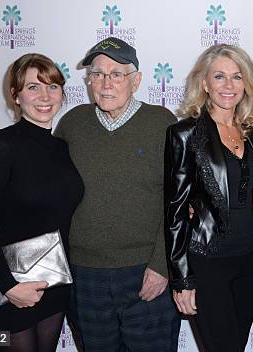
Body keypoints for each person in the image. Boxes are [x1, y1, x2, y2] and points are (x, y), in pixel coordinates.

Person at [54, 37, 180, 351]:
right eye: (97, 74)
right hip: (85, 276)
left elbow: (179, 201)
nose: (105, 83)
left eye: (116, 74)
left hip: (146, 273)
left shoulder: (162, 123)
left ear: (136, 81)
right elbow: (48, 190)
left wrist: (162, 265)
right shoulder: (72, 124)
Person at [0, 53, 84, 351]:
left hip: (54, 279)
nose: (44, 96)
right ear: (16, 96)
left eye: (52, 87)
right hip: (8, 284)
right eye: (33, 87)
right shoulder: (1, 147)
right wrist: (10, 287)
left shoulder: (62, 148)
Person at [165, 44, 253, 352]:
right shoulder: (185, 133)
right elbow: (175, 211)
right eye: (219, 76)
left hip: (250, 262)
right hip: (208, 262)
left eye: (236, 76)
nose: (229, 85)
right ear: (205, 83)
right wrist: (181, 279)